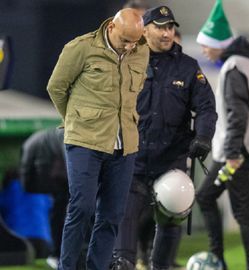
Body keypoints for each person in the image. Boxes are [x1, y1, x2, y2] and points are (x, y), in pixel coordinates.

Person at [110, 6, 217, 270]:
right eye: (160, 26)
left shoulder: (188, 67)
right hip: (132, 159)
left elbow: (206, 108)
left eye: (170, 27)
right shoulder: (127, 61)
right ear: (145, 30)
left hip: (170, 161)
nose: (167, 32)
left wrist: (203, 137)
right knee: (123, 216)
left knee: (174, 211)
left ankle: (163, 265)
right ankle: (122, 262)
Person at [46, 8, 149, 270]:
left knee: (113, 215)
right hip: (84, 141)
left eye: (133, 42)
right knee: (81, 208)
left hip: (125, 143)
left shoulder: (141, 51)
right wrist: (77, 120)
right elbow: (56, 87)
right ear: (111, 28)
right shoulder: (80, 48)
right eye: (125, 40)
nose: (128, 46)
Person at [195, 1, 249, 269]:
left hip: (236, 154)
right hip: (242, 150)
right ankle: (222, 259)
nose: (203, 50)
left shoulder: (234, 68)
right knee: (236, 209)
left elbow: (237, 115)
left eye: (205, 44)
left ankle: (220, 259)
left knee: (232, 209)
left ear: (218, 43)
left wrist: (232, 154)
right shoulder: (248, 62)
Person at [19, 128, 67, 269]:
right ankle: (58, 254)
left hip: (60, 181)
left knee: (60, 214)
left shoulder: (33, 143)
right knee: (61, 214)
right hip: (62, 181)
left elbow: (25, 169)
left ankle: (58, 254)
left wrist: (27, 186)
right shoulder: (56, 138)